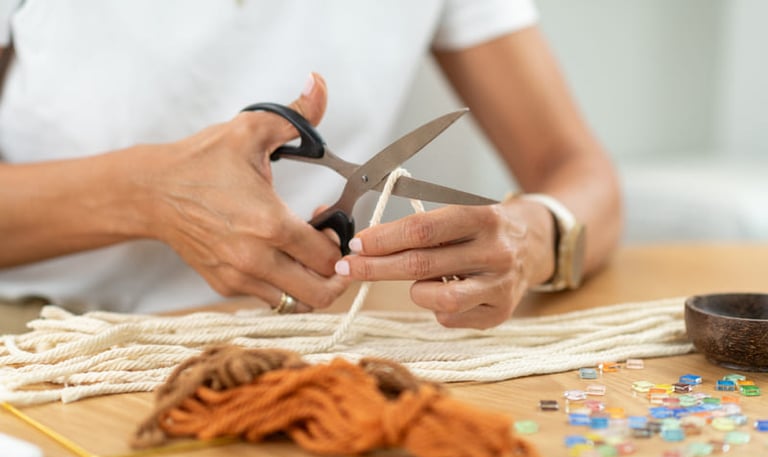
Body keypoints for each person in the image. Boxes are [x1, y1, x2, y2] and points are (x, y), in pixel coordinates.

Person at [0, 0, 621, 329]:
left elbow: (578, 168)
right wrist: (147, 195)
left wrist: (534, 235)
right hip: (41, 333)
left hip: (293, 336)